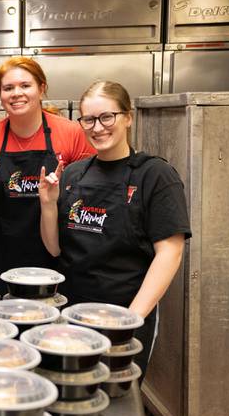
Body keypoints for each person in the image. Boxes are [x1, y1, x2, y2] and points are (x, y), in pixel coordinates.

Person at [39, 81, 191, 375]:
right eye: (89, 120)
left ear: (128, 117)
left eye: (107, 117)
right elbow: (55, 248)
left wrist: (130, 320)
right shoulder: (74, 173)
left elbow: (170, 252)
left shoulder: (155, 175)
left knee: (118, 399)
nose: (97, 128)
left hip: (127, 313)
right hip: (71, 313)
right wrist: (47, 204)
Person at [0, 56, 95, 274]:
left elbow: (89, 200)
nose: (16, 93)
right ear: (1, 95)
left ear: (41, 88)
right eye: (8, 88)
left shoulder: (72, 134)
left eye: (25, 85)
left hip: (55, 257)